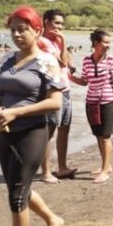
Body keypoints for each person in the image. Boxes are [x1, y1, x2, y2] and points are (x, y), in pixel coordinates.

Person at [0, 6, 66, 226]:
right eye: (13, 30)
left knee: (16, 194)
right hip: (4, 130)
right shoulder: (8, 59)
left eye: (23, 29)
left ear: (37, 30)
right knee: (18, 186)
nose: (17, 34)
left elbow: (55, 103)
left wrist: (17, 112)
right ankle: (53, 220)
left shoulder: (47, 61)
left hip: (32, 131)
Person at [70, 29, 113, 184]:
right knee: (98, 135)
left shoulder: (111, 60)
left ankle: (105, 171)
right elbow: (85, 81)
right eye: (105, 42)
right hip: (91, 102)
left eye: (109, 42)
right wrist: (70, 78)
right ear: (95, 43)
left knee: (106, 136)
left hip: (107, 102)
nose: (108, 45)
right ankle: (106, 166)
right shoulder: (87, 60)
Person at [43, 9, 78, 180]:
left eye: (62, 24)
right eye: (56, 23)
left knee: (64, 128)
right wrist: (63, 39)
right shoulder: (42, 42)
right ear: (46, 22)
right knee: (50, 132)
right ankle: (46, 171)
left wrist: (60, 41)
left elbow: (69, 64)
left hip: (65, 88)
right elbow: (63, 62)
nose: (60, 27)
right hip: (52, 91)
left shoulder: (54, 42)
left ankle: (62, 167)